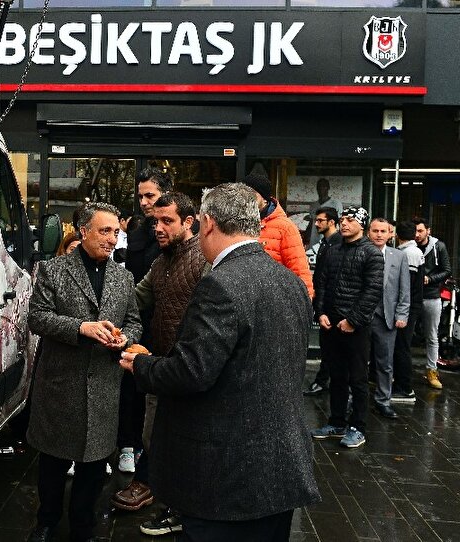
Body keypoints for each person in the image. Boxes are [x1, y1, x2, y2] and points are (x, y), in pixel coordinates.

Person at [120, 183, 320, 541]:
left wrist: (143, 364)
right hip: (281, 469)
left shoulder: (221, 284)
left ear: (207, 223)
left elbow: (190, 372)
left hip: (228, 478)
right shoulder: (290, 281)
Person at [27, 202, 142, 542]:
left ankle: (83, 527)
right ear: (83, 231)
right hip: (61, 384)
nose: (112, 239)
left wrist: (124, 338)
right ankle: (46, 521)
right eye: (104, 231)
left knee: (93, 468)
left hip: (104, 385)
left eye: (116, 232)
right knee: (52, 463)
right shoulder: (54, 271)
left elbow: (134, 321)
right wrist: (81, 327)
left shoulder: (124, 277)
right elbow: (37, 318)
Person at [111, 192, 207, 537]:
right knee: (154, 437)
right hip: (159, 365)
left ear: (189, 223)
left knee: (184, 443)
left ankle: (182, 510)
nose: (158, 228)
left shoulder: (203, 261)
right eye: (155, 221)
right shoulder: (161, 262)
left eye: (167, 221)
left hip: (190, 369)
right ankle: (168, 500)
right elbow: (138, 296)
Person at [311, 207, 383, 448]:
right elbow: (321, 283)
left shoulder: (371, 253)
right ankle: (337, 421)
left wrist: (353, 320)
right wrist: (319, 312)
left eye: (350, 220)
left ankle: (358, 427)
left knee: (358, 379)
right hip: (331, 325)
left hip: (356, 328)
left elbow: (372, 291)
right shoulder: (332, 251)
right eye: (342, 220)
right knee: (337, 376)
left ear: (361, 224)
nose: (344, 224)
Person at [118, 167, 172, 474]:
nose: (144, 202)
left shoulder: (177, 237)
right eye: (140, 196)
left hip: (164, 324)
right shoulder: (137, 235)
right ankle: (129, 444)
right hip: (138, 321)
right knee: (132, 388)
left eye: (150, 195)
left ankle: (151, 452)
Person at [242, 174, 314, 297]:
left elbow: (300, 271)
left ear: (264, 198)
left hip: (275, 300)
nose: (246, 198)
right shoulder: (238, 223)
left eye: (251, 193)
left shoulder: (285, 227)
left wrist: (304, 305)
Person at [367, 218, 410, 419]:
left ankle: (383, 401)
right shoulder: (361, 252)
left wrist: (402, 314)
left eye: (383, 231)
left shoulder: (399, 257)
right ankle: (351, 400)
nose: (379, 234)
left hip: (387, 317)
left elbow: (404, 288)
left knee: (385, 363)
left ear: (390, 234)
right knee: (357, 361)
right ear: (368, 232)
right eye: (375, 230)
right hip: (362, 317)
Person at [304, 206, 340, 396]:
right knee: (327, 345)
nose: (316, 224)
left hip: (332, 301)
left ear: (331, 222)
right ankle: (323, 379)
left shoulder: (338, 243)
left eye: (320, 220)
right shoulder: (326, 243)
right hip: (324, 298)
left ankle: (327, 381)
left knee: (332, 346)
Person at [414, 218, 452, 390]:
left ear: (428, 230)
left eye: (420, 231)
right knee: (403, 335)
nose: (417, 234)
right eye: (415, 231)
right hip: (412, 296)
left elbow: (447, 270)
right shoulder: (409, 246)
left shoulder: (439, 246)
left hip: (431, 296)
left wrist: (430, 279)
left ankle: (432, 370)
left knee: (432, 335)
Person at [392, 221, 425, 404]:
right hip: (411, 306)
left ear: (398, 235)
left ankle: (405, 389)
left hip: (408, 307)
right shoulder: (413, 251)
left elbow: (408, 285)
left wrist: (403, 311)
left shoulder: (409, 253)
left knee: (402, 347)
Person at [306, 177, 343, 248]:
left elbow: (340, 222)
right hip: (314, 240)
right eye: (319, 187)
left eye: (323, 186)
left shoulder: (335, 204)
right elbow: (311, 223)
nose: (321, 189)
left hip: (330, 240)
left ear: (328, 188)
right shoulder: (313, 206)